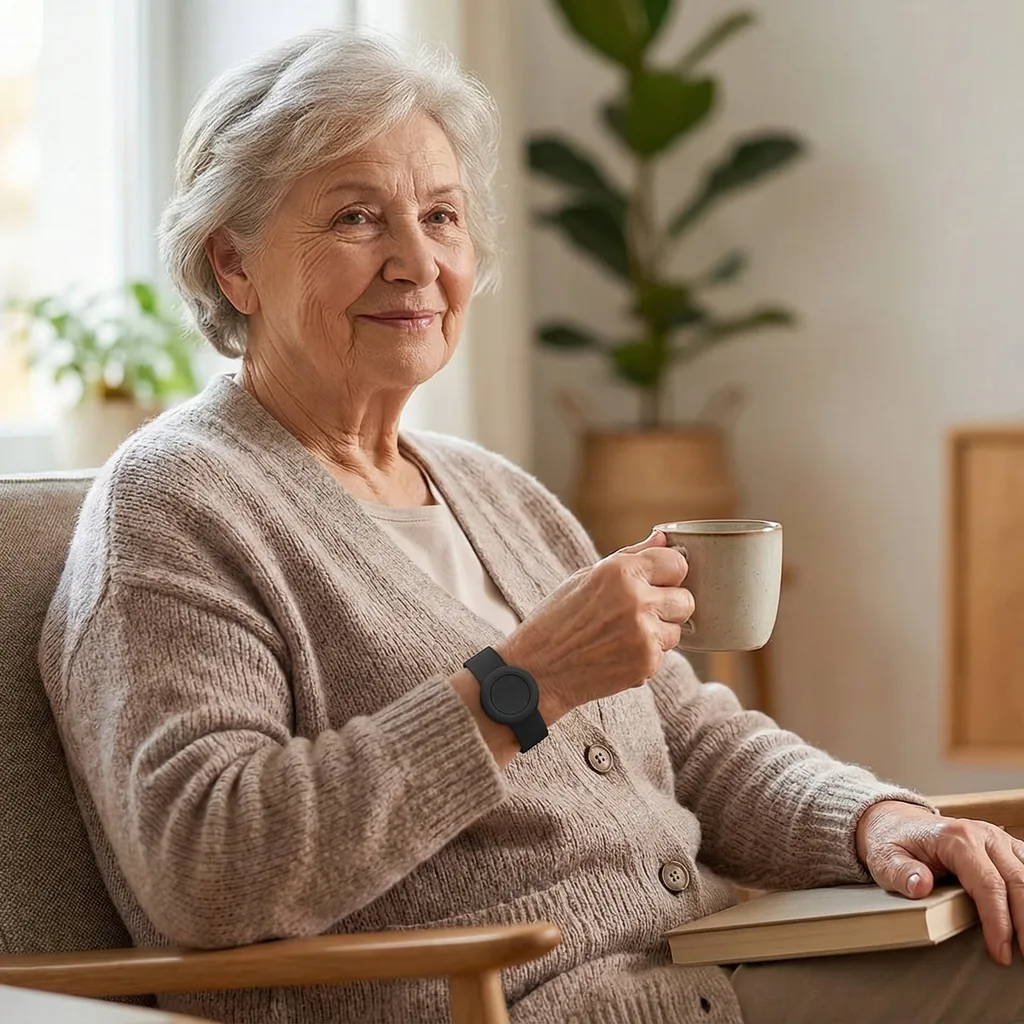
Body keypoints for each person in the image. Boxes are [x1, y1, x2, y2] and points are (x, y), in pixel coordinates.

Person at [39, 29, 1024, 1024]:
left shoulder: (493, 491)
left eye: (439, 215)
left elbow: (688, 739)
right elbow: (209, 866)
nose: (416, 261)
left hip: (710, 973)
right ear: (234, 262)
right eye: (354, 217)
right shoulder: (174, 507)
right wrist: (520, 688)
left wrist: (869, 817)